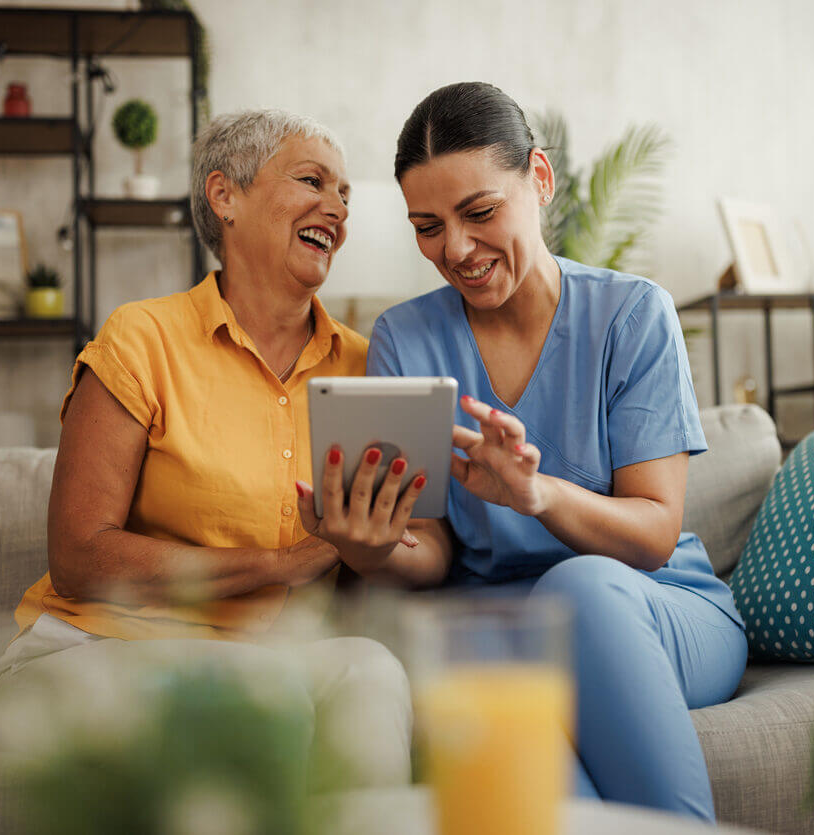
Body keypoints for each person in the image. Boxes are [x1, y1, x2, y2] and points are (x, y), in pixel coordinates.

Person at [295, 82, 747, 820]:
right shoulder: (407, 339)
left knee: (579, 592)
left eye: (479, 213)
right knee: (475, 663)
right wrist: (369, 548)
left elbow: (654, 532)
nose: (457, 250)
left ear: (539, 179)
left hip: (651, 610)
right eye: (428, 226)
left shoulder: (632, 315)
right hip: (497, 629)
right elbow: (433, 550)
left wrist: (539, 495)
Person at [0, 109, 412, 793]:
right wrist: (280, 564)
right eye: (312, 181)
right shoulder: (142, 337)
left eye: (345, 196)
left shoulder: (368, 368)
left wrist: (368, 546)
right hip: (95, 647)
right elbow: (78, 556)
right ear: (225, 196)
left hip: (262, 657)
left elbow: (365, 571)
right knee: (262, 690)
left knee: (371, 667)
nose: (337, 207)